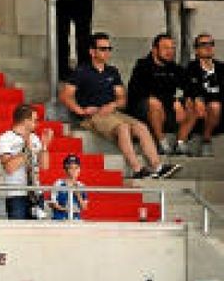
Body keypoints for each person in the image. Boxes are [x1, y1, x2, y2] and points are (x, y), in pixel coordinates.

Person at [59, 32, 180, 180]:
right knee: (123, 128)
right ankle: (137, 169)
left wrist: (113, 105)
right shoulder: (82, 71)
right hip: (94, 116)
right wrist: (81, 111)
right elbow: (65, 95)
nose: (107, 52)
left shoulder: (112, 71)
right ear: (92, 51)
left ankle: (158, 167)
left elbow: (122, 98)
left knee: (141, 127)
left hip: (112, 112)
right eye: (103, 49)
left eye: (109, 48)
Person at [127, 34, 196, 156]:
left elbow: (190, 87)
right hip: (143, 112)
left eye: (172, 48)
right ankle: (161, 143)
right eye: (165, 48)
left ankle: (181, 143)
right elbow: (140, 92)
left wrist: (184, 101)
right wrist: (173, 101)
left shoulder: (174, 68)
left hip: (166, 111)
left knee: (194, 103)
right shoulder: (142, 66)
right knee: (154, 102)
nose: (170, 52)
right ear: (154, 50)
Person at [0, 104, 51, 221]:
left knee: (37, 234)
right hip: (16, 194)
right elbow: (9, 167)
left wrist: (45, 146)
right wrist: (27, 150)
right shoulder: (5, 138)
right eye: (35, 120)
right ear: (26, 121)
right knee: (17, 233)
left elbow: (45, 166)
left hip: (36, 193)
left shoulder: (35, 138)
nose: (37, 124)